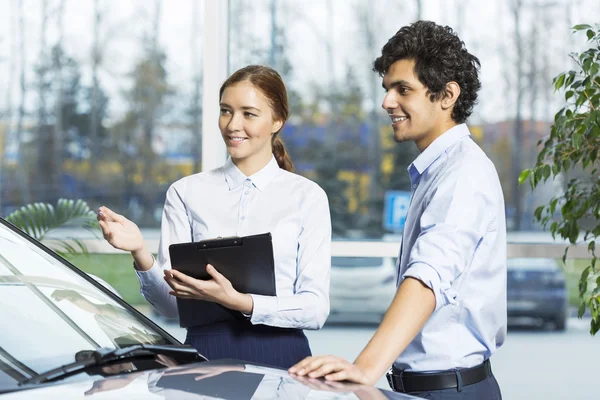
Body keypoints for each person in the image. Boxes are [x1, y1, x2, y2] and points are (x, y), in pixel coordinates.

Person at [290, 21, 506, 400]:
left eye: (402, 89)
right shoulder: (437, 170)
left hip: (449, 391)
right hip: (428, 388)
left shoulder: (462, 174)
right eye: (387, 89)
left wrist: (364, 369)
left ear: (447, 95)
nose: (387, 102)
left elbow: (428, 277)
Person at [97, 65, 332, 369]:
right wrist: (139, 251)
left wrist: (240, 302)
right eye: (226, 111)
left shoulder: (307, 197)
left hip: (284, 357)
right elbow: (170, 306)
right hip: (204, 358)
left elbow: (315, 308)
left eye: (249, 114)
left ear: (277, 121)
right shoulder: (185, 192)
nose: (233, 124)